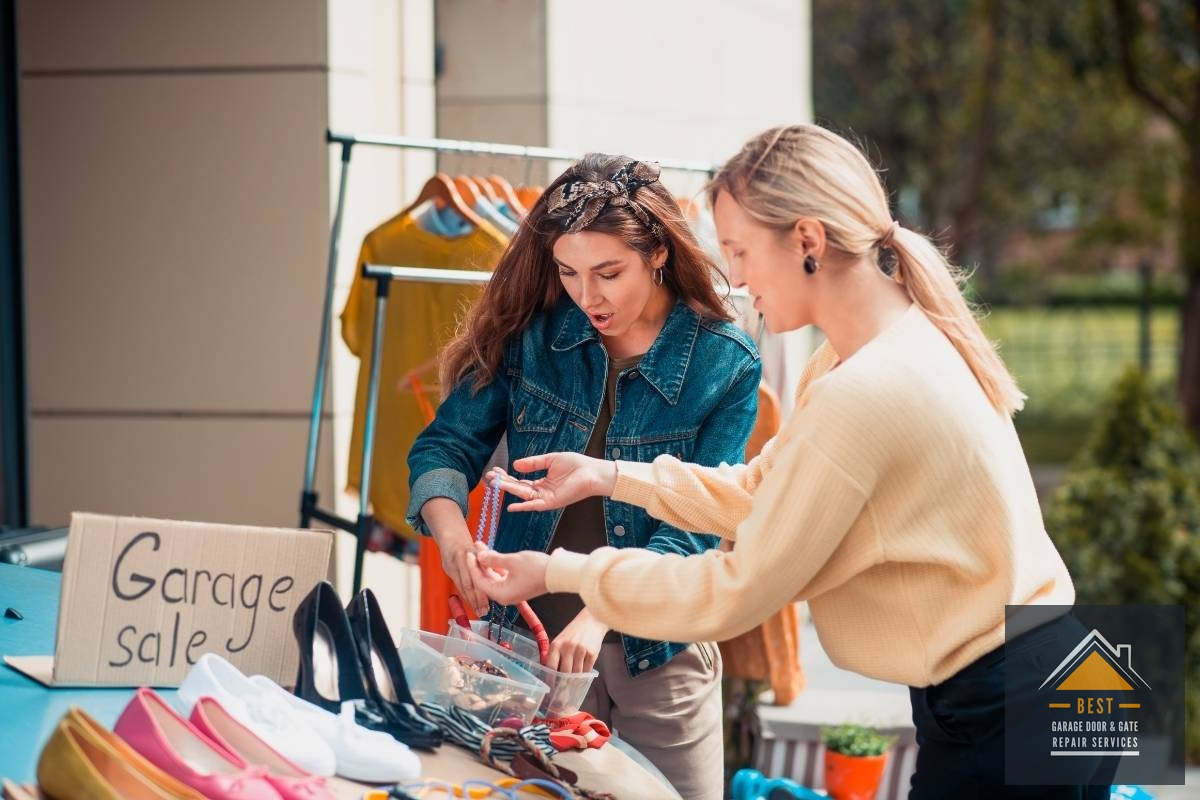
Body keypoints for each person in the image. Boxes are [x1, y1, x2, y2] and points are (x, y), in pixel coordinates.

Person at [468, 125, 1112, 798]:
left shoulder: (862, 390)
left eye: (741, 251)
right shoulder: (876, 348)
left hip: (1007, 705)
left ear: (807, 241)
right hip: (1062, 672)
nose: (737, 276)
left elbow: (736, 589)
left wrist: (559, 572)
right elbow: (762, 491)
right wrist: (610, 476)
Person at [406, 154, 761, 799]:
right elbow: (443, 447)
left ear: (657, 253)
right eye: (568, 272)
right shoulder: (533, 338)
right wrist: (453, 539)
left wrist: (600, 609)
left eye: (608, 273)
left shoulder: (724, 363)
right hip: (526, 655)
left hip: (661, 655)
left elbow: (697, 525)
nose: (587, 295)